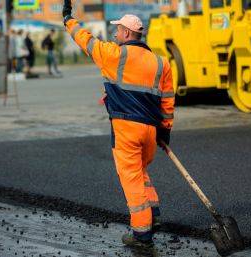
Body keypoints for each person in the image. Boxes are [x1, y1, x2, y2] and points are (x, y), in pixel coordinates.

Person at [62, 0, 174, 249]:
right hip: (150, 131)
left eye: (117, 31)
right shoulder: (160, 63)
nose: (114, 34)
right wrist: (165, 131)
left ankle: (142, 234)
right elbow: (167, 100)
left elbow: (86, 40)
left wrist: (68, 19)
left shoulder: (115, 55)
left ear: (126, 33)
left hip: (126, 130)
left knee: (131, 179)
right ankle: (153, 214)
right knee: (141, 171)